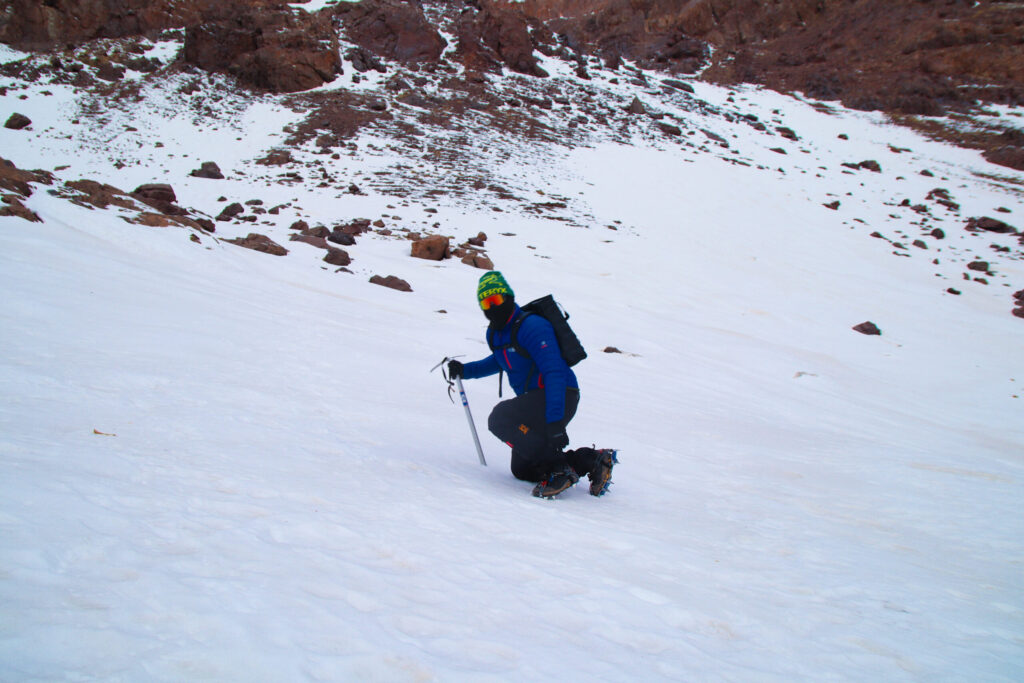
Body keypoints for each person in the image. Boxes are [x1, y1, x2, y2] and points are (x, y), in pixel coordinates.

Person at [447, 271, 616, 498]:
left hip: (560, 394)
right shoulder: (495, 334)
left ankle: (559, 470)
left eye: (497, 299)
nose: (493, 306)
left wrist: (554, 422)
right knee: (523, 469)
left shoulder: (532, 327)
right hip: (536, 399)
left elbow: (553, 371)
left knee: (500, 417)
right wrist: (465, 371)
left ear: (508, 297)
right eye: (486, 302)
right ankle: (592, 460)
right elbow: (499, 361)